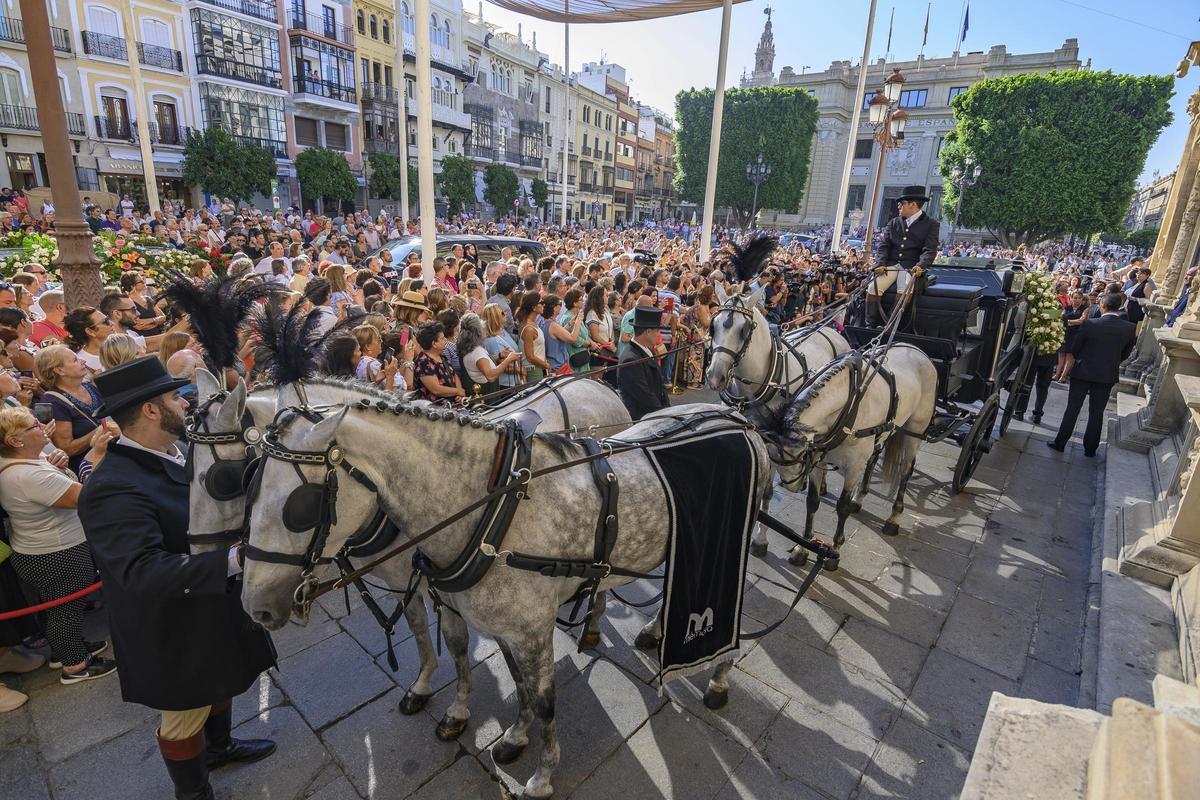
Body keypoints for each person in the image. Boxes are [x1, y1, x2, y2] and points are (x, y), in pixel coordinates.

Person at [78, 356, 276, 800]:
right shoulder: (112, 485)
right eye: (174, 397)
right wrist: (237, 558)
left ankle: (220, 747)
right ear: (150, 410)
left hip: (206, 603)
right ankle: (193, 793)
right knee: (184, 713)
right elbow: (140, 570)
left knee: (222, 677)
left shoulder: (175, 450)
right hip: (170, 624)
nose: (185, 405)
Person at [0, 407, 115, 684]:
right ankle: (75, 666)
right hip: (57, 552)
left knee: (60, 610)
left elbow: (57, 481)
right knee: (66, 611)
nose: (43, 426)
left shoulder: (20, 463)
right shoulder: (27, 476)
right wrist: (95, 455)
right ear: (15, 441)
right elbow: (86, 498)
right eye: (34, 425)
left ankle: (66, 651)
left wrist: (59, 466)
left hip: (40, 548)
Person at [1049, 293, 1137, 458]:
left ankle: (1060, 442)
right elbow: (1125, 353)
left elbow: (1075, 348)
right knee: (1097, 412)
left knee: (1073, 408)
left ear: (1102, 305)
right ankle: (1090, 448)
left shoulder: (1090, 324)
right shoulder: (1129, 328)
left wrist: (1083, 358)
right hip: (1106, 374)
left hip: (1083, 370)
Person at [868, 185, 941, 324]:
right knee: (873, 286)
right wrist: (880, 264)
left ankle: (889, 325)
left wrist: (921, 266)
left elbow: (930, 249)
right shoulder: (894, 222)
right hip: (890, 265)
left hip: (911, 266)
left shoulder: (931, 224)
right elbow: (884, 246)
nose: (898, 207)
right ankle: (870, 323)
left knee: (905, 286)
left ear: (913, 204)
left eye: (901, 204)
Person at [36, 345, 105, 475]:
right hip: (88, 468)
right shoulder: (47, 403)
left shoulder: (89, 387)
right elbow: (66, 449)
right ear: (59, 370)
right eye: (75, 360)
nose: (83, 361)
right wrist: (101, 429)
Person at [618, 306, 669, 420]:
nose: (658, 334)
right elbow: (644, 396)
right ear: (648, 332)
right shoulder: (630, 359)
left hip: (655, 415)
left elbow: (660, 387)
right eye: (657, 331)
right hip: (642, 420)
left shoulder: (648, 350)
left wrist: (668, 409)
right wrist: (664, 416)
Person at [412, 321, 465, 404]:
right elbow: (436, 389)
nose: (446, 340)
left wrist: (459, 392)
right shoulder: (423, 362)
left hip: (453, 404)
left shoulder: (441, 355)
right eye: (442, 338)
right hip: (437, 410)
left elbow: (453, 374)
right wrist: (458, 391)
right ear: (434, 344)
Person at [63, 306, 111, 374]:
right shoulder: (81, 363)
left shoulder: (122, 342)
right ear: (90, 331)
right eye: (105, 321)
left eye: (108, 318)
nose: (111, 323)